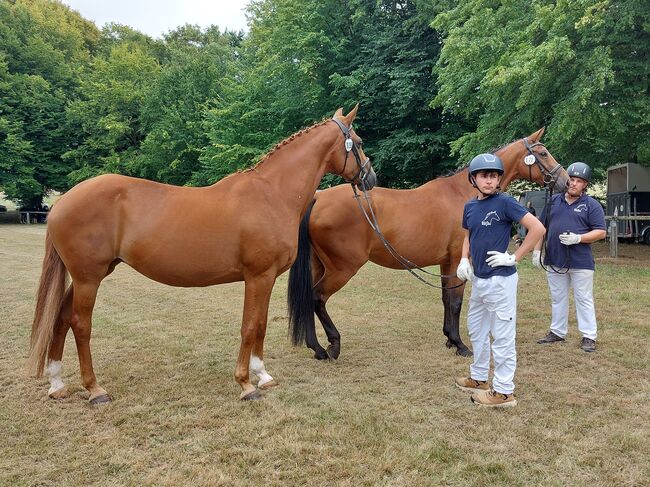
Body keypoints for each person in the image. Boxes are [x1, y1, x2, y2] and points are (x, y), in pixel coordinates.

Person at [455, 153, 545, 408]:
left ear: (499, 180)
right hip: (479, 279)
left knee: (502, 336)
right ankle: (479, 378)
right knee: (477, 330)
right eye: (484, 175)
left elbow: (538, 228)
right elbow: (468, 236)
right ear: (473, 179)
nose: (489, 180)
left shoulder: (505, 202)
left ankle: (504, 392)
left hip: (501, 281)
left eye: (494, 176)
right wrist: (464, 259)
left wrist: (514, 257)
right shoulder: (470, 207)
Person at [533, 162, 606, 352]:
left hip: (580, 261)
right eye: (571, 179)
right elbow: (541, 227)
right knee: (558, 297)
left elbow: (600, 232)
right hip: (555, 259)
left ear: (585, 185)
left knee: (583, 298)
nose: (574, 183)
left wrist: (579, 238)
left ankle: (589, 336)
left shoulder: (592, 205)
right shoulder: (553, 201)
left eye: (578, 181)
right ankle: (557, 331)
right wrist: (537, 250)